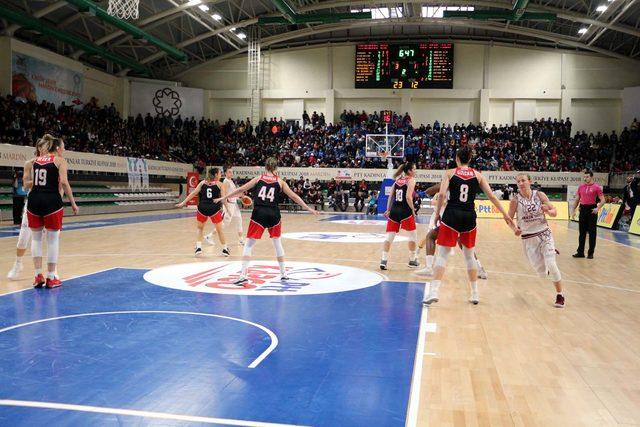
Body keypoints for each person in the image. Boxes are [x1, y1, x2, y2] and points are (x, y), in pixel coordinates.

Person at [423, 146, 515, 305]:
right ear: (470, 159)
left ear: (457, 159)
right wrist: (505, 214)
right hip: (469, 217)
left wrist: (438, 213)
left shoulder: (450, 173)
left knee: (443, 255)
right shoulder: (478, 175)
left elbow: (443, 194)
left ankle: (433, 291)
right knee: (469, 256)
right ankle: (474, 294)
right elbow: (492, 196)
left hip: (451, 215)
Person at [215, 157, 318, 284]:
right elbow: (294, 196)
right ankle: (283, 273)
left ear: (265, 167)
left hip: (259, 213)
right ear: (276, 168)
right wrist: (308, 208)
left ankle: (243, 275)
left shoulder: (259, 178)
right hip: (274, 214)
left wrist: (224, 197)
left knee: (248, 244)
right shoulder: (280, 182)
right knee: (277, 243)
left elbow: (241, 189)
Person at [24, 134, 79, 288]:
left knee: (35, 239)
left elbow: (28, 182)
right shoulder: (60, 161)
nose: (64, 149)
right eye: (63, 147)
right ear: (57, 148)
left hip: (34, 200)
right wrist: (73, 203)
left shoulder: (34, 161)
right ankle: (51, 277)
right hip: (51, 201)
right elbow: (64, 182)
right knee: (52, 240)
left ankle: (37, 275)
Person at [509, 173, 564, 308]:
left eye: (523, 180)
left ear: (529, 181)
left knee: (551, 264)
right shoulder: (515, 200)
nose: (521, 183)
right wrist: (514, 229)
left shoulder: (540, 195)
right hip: (528, 238)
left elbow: (554, 210)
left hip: (545, 233)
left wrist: (550, 212)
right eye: (518, 181)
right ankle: (547, 262)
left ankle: (560, 295)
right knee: (542, 273)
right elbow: (508, 219)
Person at [415, 184, 488, 280]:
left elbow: (430, 191)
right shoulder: (464, 186)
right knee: (464, 246)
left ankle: (429, 268)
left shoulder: (449, 185)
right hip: (464, 218)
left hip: (451, 220)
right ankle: (480, 269)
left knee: (431, 237)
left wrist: (422, 193)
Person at [176, 168, 229, 257]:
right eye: (220, 173)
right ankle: (225, 249)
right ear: (216, 175)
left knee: (200, 229)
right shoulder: (220, 184)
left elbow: (193, 194)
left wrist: (183, 203)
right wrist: (228, 209)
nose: (221, 175)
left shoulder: (202, 183)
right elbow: (223, 199)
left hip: (202, 208)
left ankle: (199, 247)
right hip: (214, 209)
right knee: (220, 230)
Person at [380, 162, 419, 270]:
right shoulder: (411, 180)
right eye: (414, 169)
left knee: (389, 237)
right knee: (413, 236)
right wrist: (412, 210)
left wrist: (388, 209)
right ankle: (412, 260)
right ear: (410, 171)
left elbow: (390, 196)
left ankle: (384, 260)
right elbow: (408, 197)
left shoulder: (398, 180)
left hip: (394, 211)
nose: (415, 171)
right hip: (405, 211)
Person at [204, 165, 244, 246]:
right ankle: (209, 236)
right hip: (229, 205)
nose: (231, 173)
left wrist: (239, 198)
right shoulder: (225, 181)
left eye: (232, 172)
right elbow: (224, 195)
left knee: (239, 220)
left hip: (234, 204)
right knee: (224, 224)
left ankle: (240, 239)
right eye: (229, 172)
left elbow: (232, 194)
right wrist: (227, 208)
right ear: (225, 173)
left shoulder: (231, 181)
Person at [571, 169, 605, 259]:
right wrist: (573, 210)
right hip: (583, 209)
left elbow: (603, 200)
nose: (585, 178)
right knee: (582, 232)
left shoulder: (597, 187)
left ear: (591, 177)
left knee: (592, 233)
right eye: (584, 177)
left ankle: (590, 253)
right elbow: (577, 200)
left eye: (587, 177)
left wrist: (597, 208)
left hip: (591, 210)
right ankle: (580, 252)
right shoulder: (581, 187)